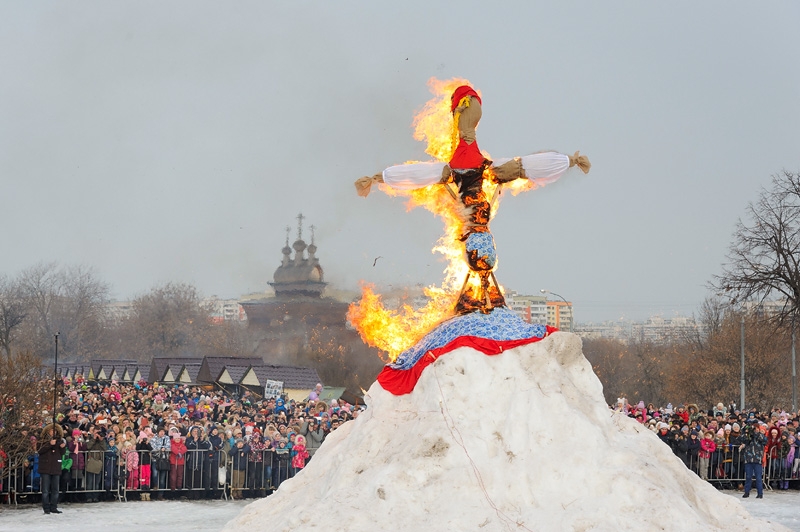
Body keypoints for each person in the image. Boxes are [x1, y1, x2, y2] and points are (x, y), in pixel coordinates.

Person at [38, 424, 66, 514]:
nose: (53, 432)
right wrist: (49, 445)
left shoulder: (60, 440)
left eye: (55, 431)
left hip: (55, 467)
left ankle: (54, 506)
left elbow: (62, 452)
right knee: (45, 490)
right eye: (51, 430)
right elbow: (39, 450)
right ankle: (46, 508)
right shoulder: (42, 440)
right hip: (45, 467)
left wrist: (62, 447)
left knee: (55, 489)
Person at [740, 422, 767, 498]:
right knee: (748, 477)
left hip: (757, 460)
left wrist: (756, 433)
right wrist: (747, 431)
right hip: (748, 459)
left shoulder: (760, 436)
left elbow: (764, 440)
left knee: (758, 477)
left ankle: (760, 493)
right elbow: (741, 438)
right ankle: (746, 492)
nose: (755, 430)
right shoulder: (748, 436)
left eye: (756, 428)